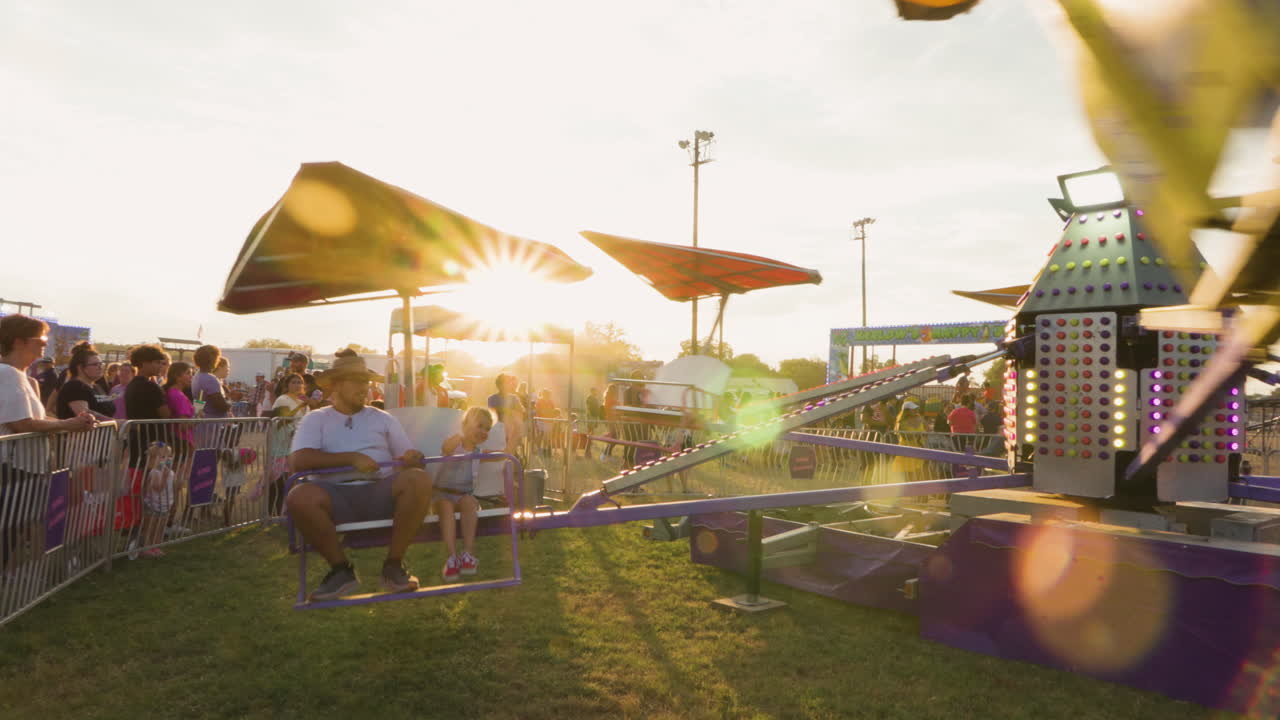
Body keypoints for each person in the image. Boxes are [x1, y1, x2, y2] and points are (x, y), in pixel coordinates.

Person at [285, 352, 433, 600]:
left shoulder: (384, 418)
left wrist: (412, 458)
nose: (364, 387)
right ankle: (340, 570)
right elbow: (298, 461)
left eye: (365, 381)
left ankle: (394, 566)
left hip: (380, 492)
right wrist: (351, 458)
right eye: (356, 380)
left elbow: (407, 454)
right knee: (299, 495)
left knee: (418, 478)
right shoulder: (316, 419)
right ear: (336, 385)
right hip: (335, 497)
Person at [0, 316, 96, 436]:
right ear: (18, 342)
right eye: (40, 339)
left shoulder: (24, 378)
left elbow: (37, 420)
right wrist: (67, 424)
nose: (45, 343)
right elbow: (22, 424)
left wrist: (74, 423)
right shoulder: (7, 373)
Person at [435, 407, 494, 581]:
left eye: (487, 429)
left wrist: (514, 437)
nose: (483, 431)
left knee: (470, 503)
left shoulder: (478, 452)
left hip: (463, 495)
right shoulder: (455, 444)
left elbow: (503, 454)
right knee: (446, 507)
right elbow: (446, 447)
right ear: (465, 425)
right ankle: (452, 557)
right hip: (442, 494)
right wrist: (461, 435)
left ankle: (467, 553)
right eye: (479, 426)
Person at [55, 342, 116, 421]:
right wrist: (116, 423)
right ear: (80, 368)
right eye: (95, 364)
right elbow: (85, 414)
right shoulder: (74, 387)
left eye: (101, 364)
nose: (100, 367)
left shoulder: (97, 387)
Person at [140, 441, 176, 558]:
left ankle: (155, 547)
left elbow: (172, 487)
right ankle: (146, 548)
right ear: (153, 459)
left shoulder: (170, 472)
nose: (167, 459)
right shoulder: (155, 473)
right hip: (153, 506)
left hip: (165, 505)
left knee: (159, 528)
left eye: (169, 456)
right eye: (163, 457)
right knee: (150, 528)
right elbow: (158, 488)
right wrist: (164, 477)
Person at [487, 373, 524, 455]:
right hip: (497, 431)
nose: (509, 385)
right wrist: (509, 410)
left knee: (510, 454)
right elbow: (493, 413)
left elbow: (520, 412)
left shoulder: (514, 398)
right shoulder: (492, 398)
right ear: (499, 385)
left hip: (511, 431)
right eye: (506, 383)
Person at [191, 345, 230, 419]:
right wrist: (230, 403)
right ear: (213, 359)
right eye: (217, 357)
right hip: (212, 424)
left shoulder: (197, 376)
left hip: (202, 422)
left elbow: (199, 403)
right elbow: (221, 406)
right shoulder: (210, 379)